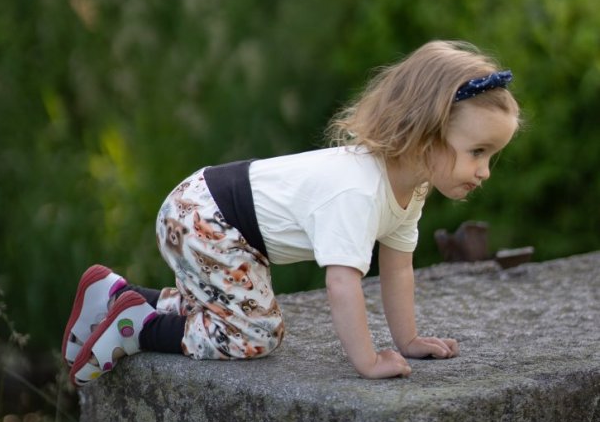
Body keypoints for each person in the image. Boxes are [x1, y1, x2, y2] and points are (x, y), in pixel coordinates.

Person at [62, 39, 520, 386]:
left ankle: (119, 294)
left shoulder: (410, 188)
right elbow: (342, 283)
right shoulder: (359, 189)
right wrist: (367, 361)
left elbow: (397, 269)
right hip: (207, 218)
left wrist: (408, 341)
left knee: (230, 306)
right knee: (256, 333)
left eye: (491, 156)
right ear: (426, 135)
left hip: (208, 210)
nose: (484, 171)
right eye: (477, 152)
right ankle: (137, 329)